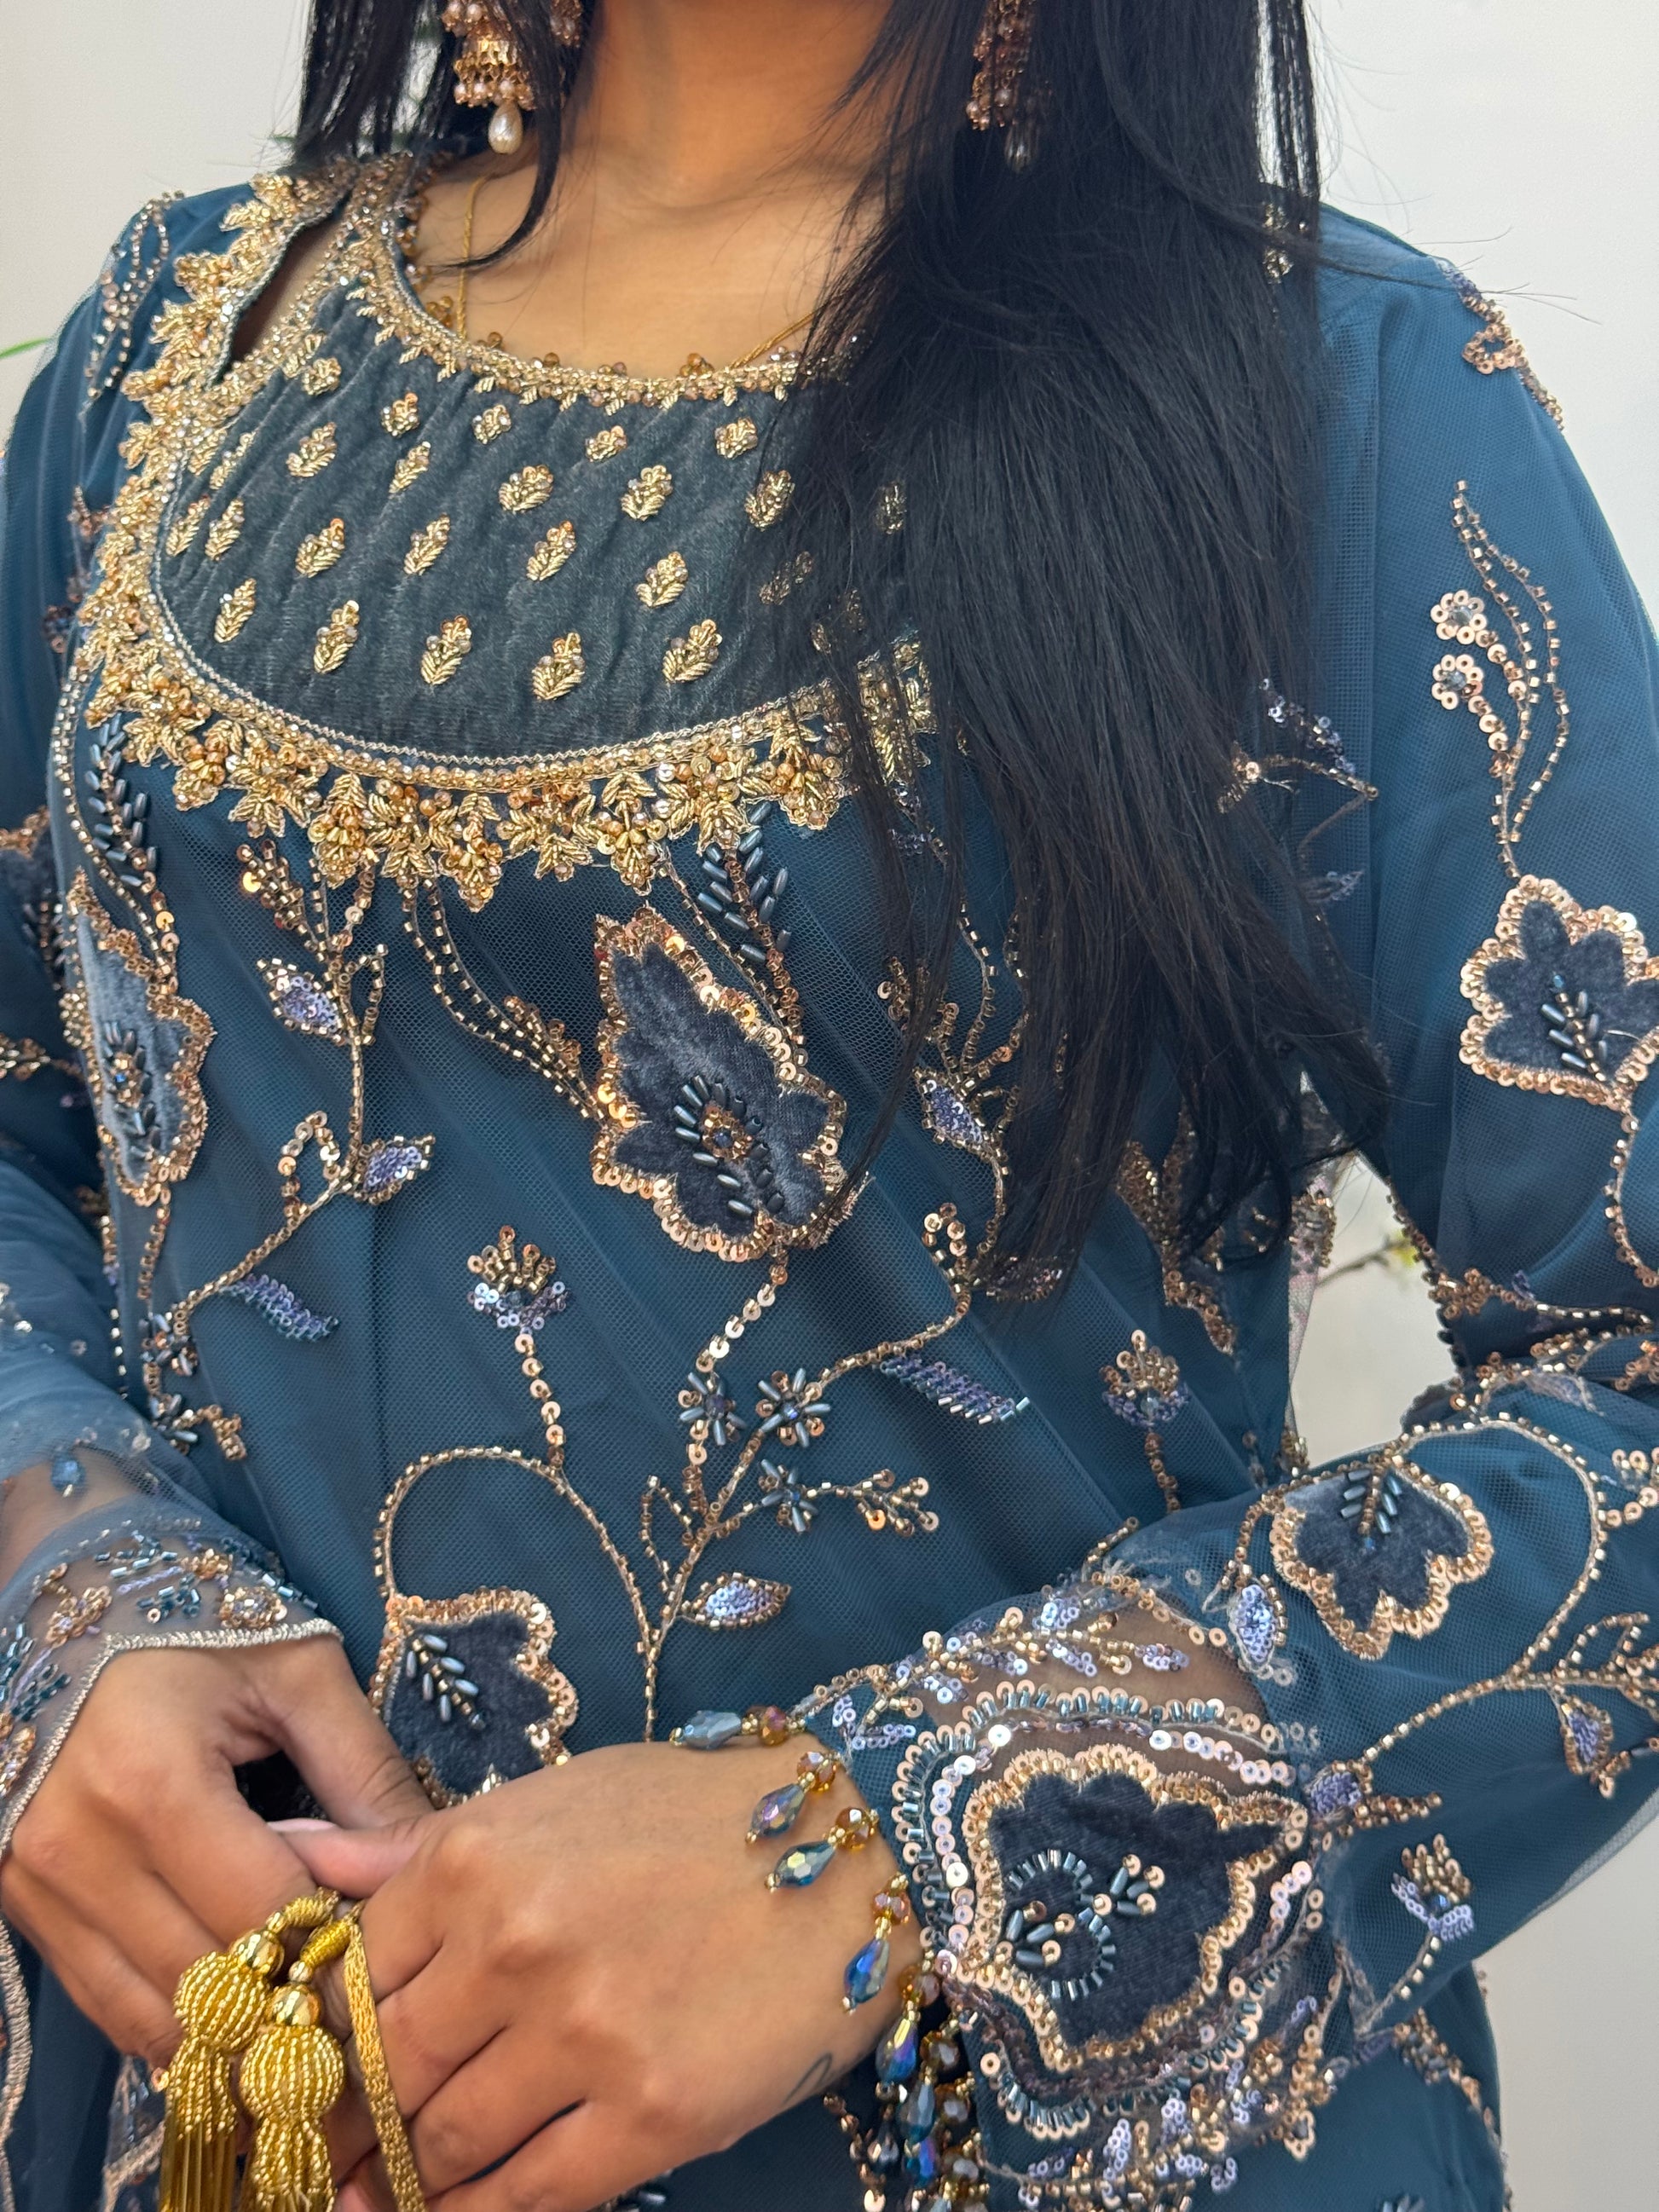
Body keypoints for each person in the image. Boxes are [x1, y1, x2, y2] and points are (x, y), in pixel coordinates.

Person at [1, 2, 1655, 2207]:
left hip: (1011, 2130)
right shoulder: (179, 351)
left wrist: (887, 1835)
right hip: (239, 2105)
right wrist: (63, 1569)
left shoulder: (1319, 394)